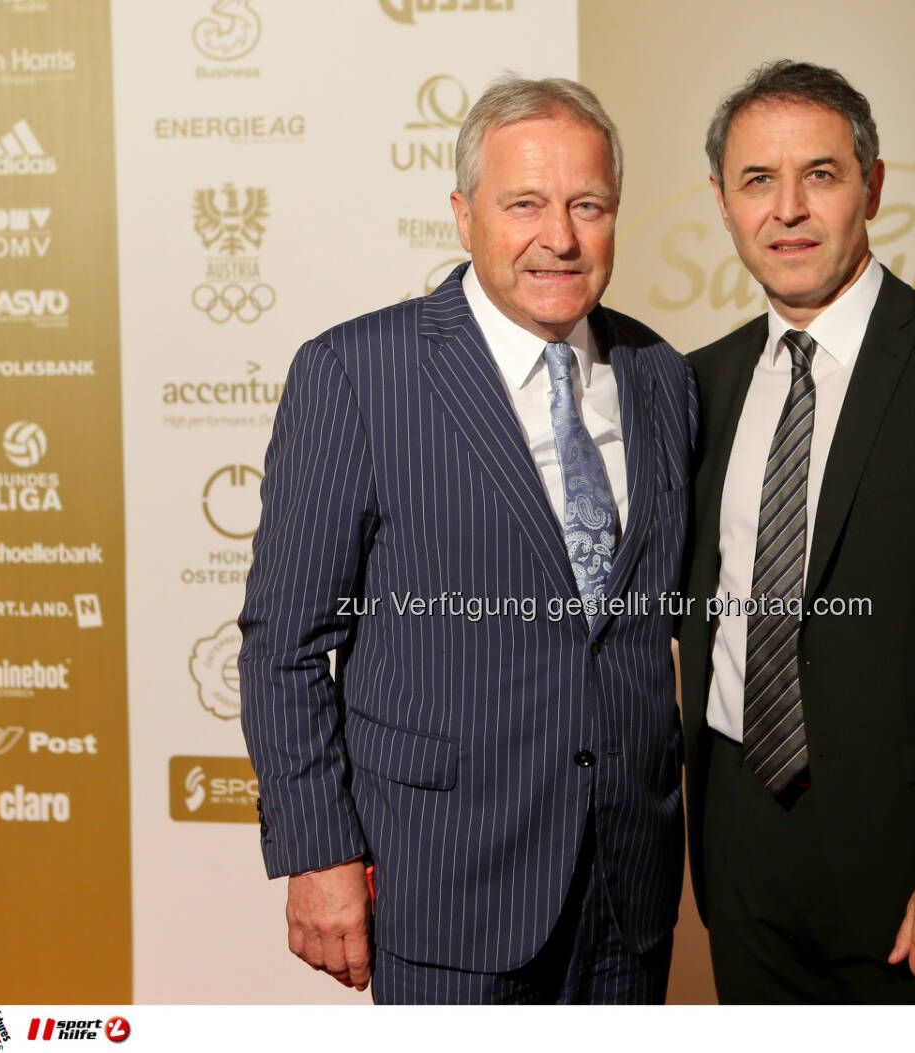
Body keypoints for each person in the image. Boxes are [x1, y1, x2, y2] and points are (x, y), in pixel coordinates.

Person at [238, 76, 695, 1005]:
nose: (558, 237)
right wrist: (320, 854)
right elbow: (284, 645)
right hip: (448, 887)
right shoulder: (357, 374)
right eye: (523, 203)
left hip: (629, 891)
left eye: (587, 205)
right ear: (462, 214)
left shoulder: (662, 376)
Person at [677, 59, 915, 1003]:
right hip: (740, 844)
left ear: (873, 188)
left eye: (820, 174)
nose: (789, 210)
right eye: (756, 182)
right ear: (725, 207)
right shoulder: (697, 383)